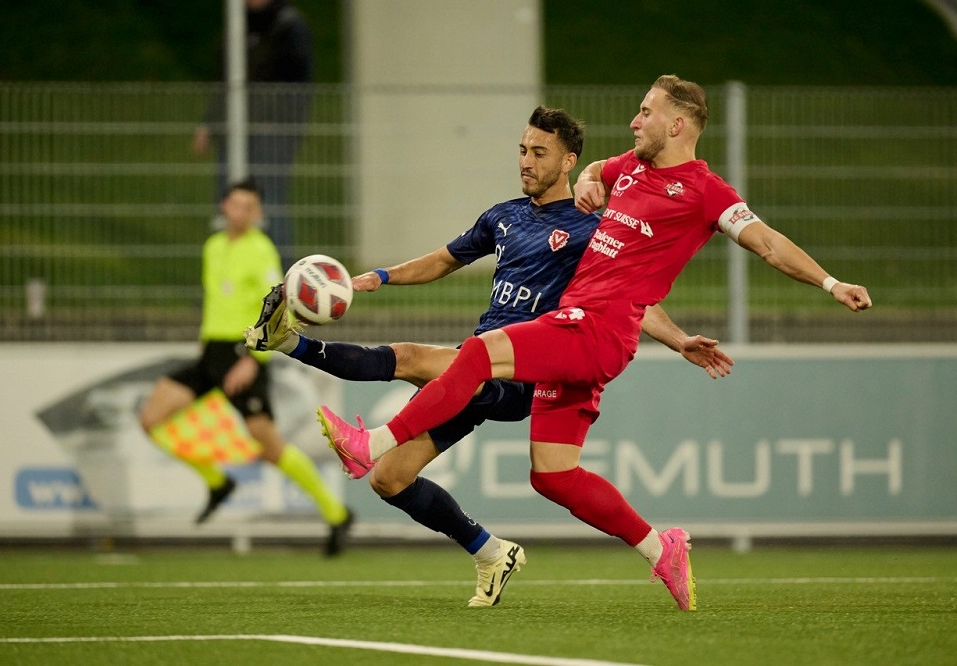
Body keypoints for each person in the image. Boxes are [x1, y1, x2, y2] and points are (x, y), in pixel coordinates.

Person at [318, 75, 874, 611]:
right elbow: (595, 170)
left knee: (479, 353)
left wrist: (831, 284)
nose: (634, 120)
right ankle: (661, 549)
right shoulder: (629, 166)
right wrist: (588, 180)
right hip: (580, 330)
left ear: (677, 125)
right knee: (552, 475)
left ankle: (372, 444)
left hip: (595, 329)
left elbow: (768, 243)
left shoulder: (707, 192)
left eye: (646, 112)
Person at [246, 106, 733, 605]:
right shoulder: (504, 216)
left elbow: (632, 300)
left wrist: (678, 339)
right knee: (390, 480)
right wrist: (382, 276)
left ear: (568, 162)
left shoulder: (591, 227)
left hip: (520, 373)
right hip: (476, 368)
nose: (526, 161)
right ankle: (491, 552)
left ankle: (301, 359)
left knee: (412, 358)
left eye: (539, 152)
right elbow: (443, 260)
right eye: (522, 150)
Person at [139, 177, 354, 556]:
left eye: (250, 207)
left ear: (258, 212)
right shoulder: (213, 246)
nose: (243, 212)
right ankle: (217, 482)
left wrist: (253, 358)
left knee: (270, 447)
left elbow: (276, 306)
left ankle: (336, 514)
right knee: (150, 418)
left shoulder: (261, 250)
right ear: (225, 206)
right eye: (237, 205)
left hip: (243, 354)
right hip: (211, 354)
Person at [192, 0, 314, 269]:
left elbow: (298, 86)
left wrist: (282, 124)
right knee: (229, 206)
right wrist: (210, 123)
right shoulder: (238, 22)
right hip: (234, 132)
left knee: (269, 206)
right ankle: (229, 275)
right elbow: (224, 77)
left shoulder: (288, 26)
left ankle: (282, 279)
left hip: (272, 135)